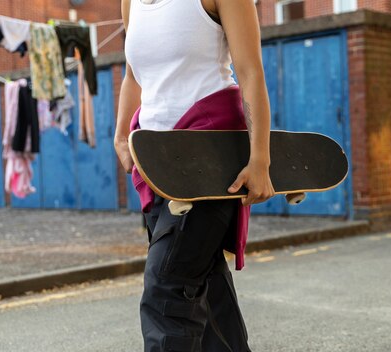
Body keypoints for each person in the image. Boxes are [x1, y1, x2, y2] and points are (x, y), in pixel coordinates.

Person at [114, 0, 274, 350]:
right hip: (157, 165)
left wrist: (260, 158)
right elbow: (132, 74)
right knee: (204, 286)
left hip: (209, 158)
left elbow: (250, 71)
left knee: (167, 291)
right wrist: (121, 134)